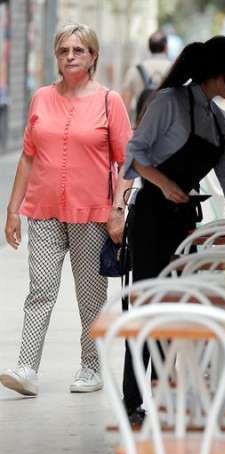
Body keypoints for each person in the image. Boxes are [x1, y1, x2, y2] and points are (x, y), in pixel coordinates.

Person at [122, 36, 225, 421]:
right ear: (215, 73)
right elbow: (133, 154)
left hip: (185, 220)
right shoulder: (168, 102)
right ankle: (133, 399)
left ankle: (162, 392)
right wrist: (164, 184)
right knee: (147, 306)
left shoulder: (219, 121)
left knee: (175, 308)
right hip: (152, 217)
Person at [0, 24, 132, 396]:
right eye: (63, 51)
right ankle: (27, 367)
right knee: (40, 289)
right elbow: (28, 157)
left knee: (89, 293)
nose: (70, 56)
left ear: (93, 56)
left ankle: (90, 366)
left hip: (92, 213)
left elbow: (128, 162)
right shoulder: (41, 97)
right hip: (43, 210)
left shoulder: (110, 101)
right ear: (55, 56)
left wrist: (118, 207)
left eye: (78, 50)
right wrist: (13, 211)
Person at [120, 31, 172, 122]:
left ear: (149, 48)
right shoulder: (174, 69)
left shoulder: (135, 70)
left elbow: (125, 106)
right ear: (166, 48)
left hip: (142, 127)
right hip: (168, 128)